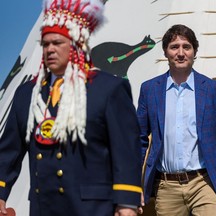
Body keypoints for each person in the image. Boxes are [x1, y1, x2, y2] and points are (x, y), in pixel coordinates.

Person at [0, 0, 142, 215]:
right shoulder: (26, 94)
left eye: (57, 43)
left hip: (92, 206)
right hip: (44, 205)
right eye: (45, 44)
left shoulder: (108, 88)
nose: (49, 49)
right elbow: (8, 152)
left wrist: (127, 202)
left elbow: (125, 150)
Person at [137, 24, 216, 216]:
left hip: (205, 183)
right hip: (166, 187)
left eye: (186, 47)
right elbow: (138, 139)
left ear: (194, 51)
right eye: (174, 47)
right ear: (165, 52)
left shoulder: (212, 89)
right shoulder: (150, 90)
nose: (181, 53)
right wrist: (131, 184)